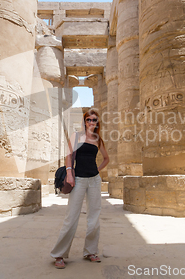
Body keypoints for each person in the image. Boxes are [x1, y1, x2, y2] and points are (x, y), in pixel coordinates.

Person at [50, 109, 110, 269]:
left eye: (94, 120)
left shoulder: (98, 139)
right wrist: (69, 173)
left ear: (97, 123)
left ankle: (90, 251)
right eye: (89, 119)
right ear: (84, 121)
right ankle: (59, 254)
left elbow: (106, 158)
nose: (92, 122)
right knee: (71, 217)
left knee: (94, 217)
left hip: (95, 180)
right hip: (78, 180)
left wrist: (97, 169)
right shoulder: (76, 136)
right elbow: (69, 156)